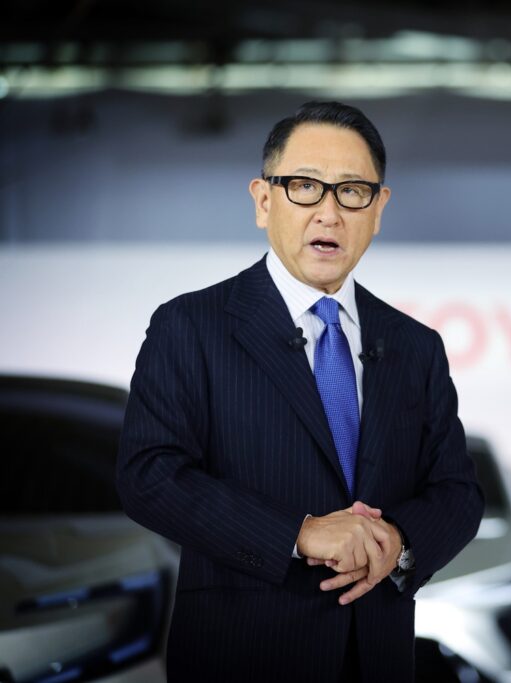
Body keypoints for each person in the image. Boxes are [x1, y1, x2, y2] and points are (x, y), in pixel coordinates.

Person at [116, 101, 484, 682]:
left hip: (378, 658)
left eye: (352, 191)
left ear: (379, 208)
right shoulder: (191, 326)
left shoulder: (415, 346)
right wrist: (300, 534)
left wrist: (397, 542)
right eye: (305, 187)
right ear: (264, 201)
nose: (329, 213)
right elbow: (150, 476)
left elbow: (457, 492)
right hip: (241, 657)